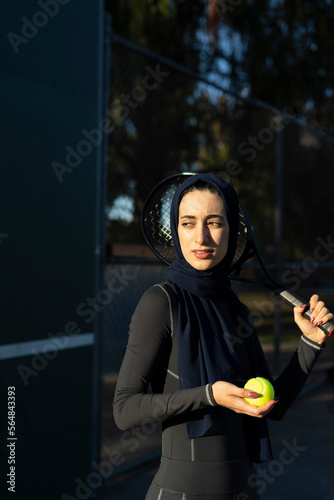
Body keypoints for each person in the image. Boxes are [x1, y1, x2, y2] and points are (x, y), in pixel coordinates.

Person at [113, 173, 332, 500]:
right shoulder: (160, 302)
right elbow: (124, 410)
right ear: (176, 230)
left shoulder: (236, 309)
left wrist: (310, 343)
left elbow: (274, 406)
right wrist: (209, 395)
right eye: (188, 223)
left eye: (214, 222)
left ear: (232, 232)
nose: (201, 237)